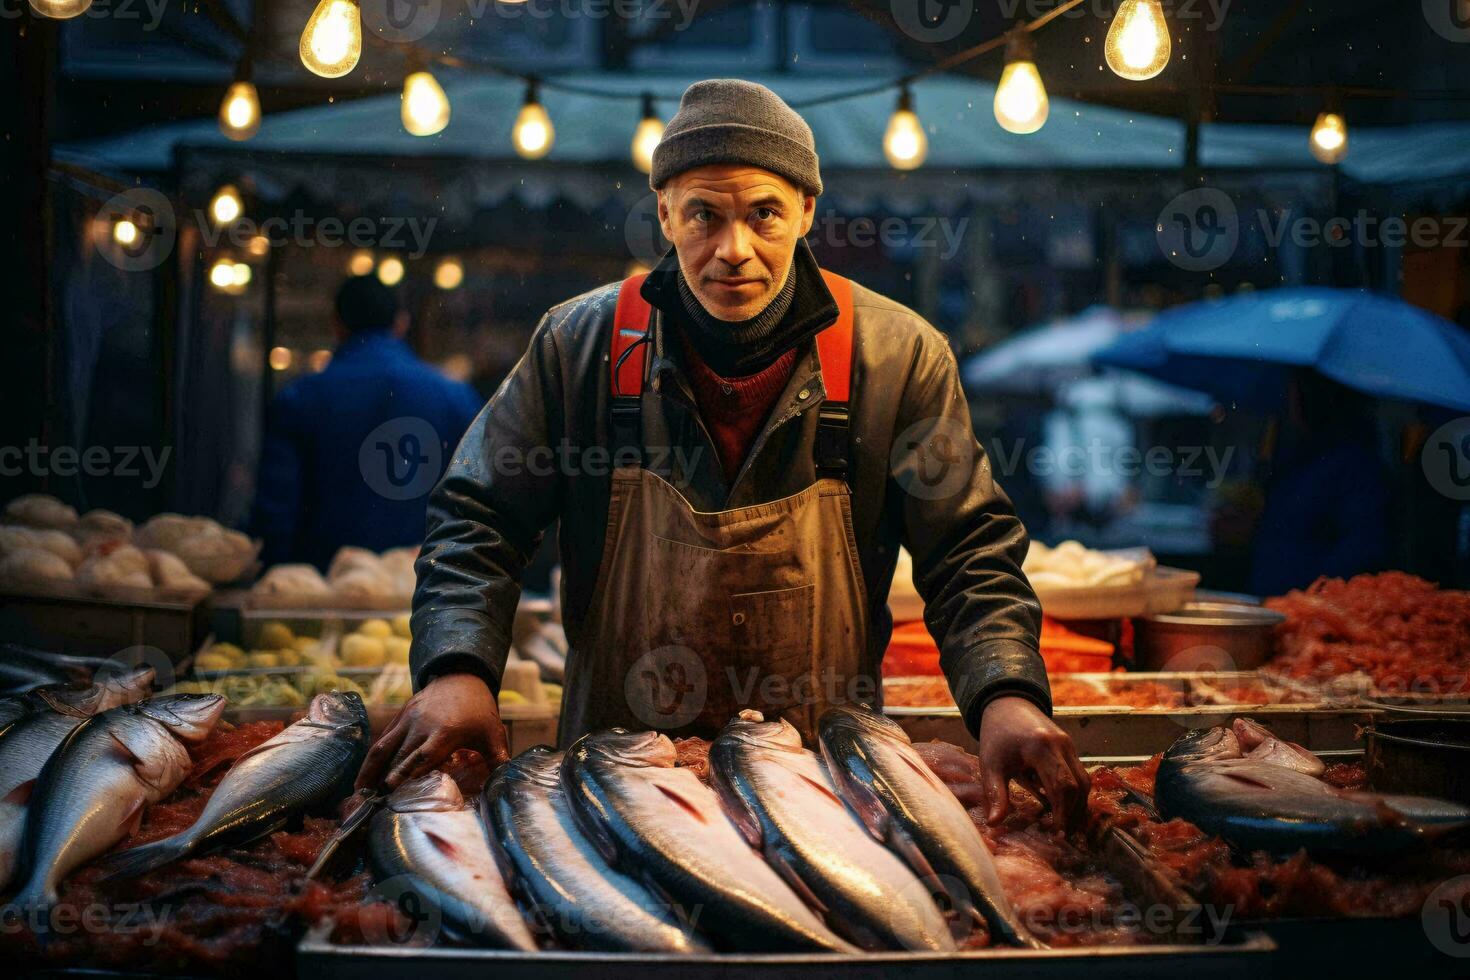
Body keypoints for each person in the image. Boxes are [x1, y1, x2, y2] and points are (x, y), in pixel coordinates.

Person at [358, 80, 1088, 829]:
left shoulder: (895, 356)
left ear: (806, 211)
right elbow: (478, 519)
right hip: (615, 793)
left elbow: (967, 552)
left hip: (833, 802)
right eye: (704, 213)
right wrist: (457, 669)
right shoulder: (578, 346)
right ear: (666, 215)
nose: (733, 250)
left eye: (764, 213)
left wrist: (1006, 692)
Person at [252, 275, 482, 570]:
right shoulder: (457, 397)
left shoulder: (299, 399)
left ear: (336, 324)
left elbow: (276, 514)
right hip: (427, 590)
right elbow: (478, 505)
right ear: (401, 323)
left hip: (323, 592)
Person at [1247, 370, 1391, 595]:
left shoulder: (1355, 464)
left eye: (1294, 390)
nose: (1289, 399)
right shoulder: (1299, 456)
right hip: (1276, 602)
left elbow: (1362, 551)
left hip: (1313, 611)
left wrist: (1311, 602)